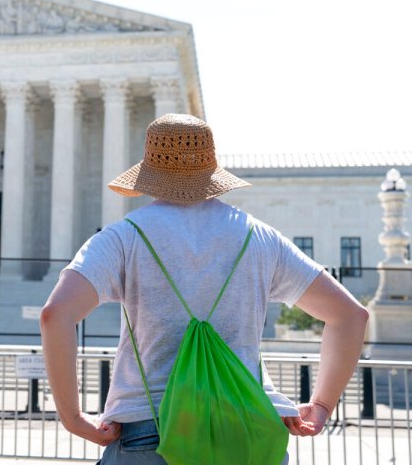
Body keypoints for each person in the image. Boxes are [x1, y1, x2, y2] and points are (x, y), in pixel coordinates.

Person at [40, 114, 369, 464]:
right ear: (211, 171)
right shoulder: (260, 238)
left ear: (149, 173)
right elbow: (351, 316)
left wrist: (73, 418)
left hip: (150, 429)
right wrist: (320, 405)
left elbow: (55, 315)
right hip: (248, 430)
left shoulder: (122, 238)